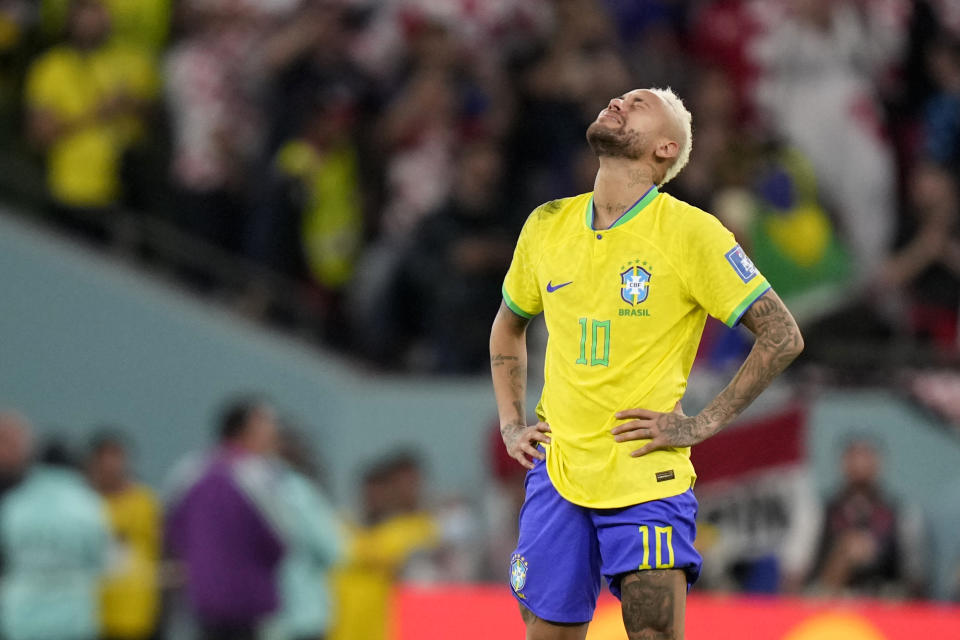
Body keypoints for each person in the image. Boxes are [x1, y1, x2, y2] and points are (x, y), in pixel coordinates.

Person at [489, 87, 804, 639]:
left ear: (665, 148)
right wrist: (511, 421)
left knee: (653, 633)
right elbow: (509, 322)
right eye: (620, 97)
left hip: (644, 472)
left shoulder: (692, 233)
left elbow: (782, 335)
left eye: (638, 103)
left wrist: (700, 423)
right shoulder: (547, 223)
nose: (618, 100)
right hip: (558, 471)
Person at [165, 398, 287, 640]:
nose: (273, 434)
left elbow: (171, 528)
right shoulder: (258, 475)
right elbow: (280, 538)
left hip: (202, 597)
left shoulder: (188, 470)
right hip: (248, 599)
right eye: (267, 426)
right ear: (245, 430)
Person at [0, 436, 111, 640]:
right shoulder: (87, 505)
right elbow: (101, 561)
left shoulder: (15, 504)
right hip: (73, 618)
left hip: (21, 617)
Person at [810, 438, 926, 598]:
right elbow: (807, 581)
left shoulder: (900, 514)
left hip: (885, 606)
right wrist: (842, 556)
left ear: (879, 464)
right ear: (843, 464)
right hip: (833, 607)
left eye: (867, 458)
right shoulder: (821, 513)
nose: (860, 465)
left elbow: (915, 578)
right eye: (854, 459)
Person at [264, 427, 343, 640]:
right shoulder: (297, 492)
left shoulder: (247, 490)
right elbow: (334, 550)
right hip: (303, 615)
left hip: (264, 618)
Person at [86, 431, 161, 640]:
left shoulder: (146, 502)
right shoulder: (82, 505)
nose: (110, 466)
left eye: (116, 457)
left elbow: (161, 549)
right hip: (91, 611)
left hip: (136, 609)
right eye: (103, 459)